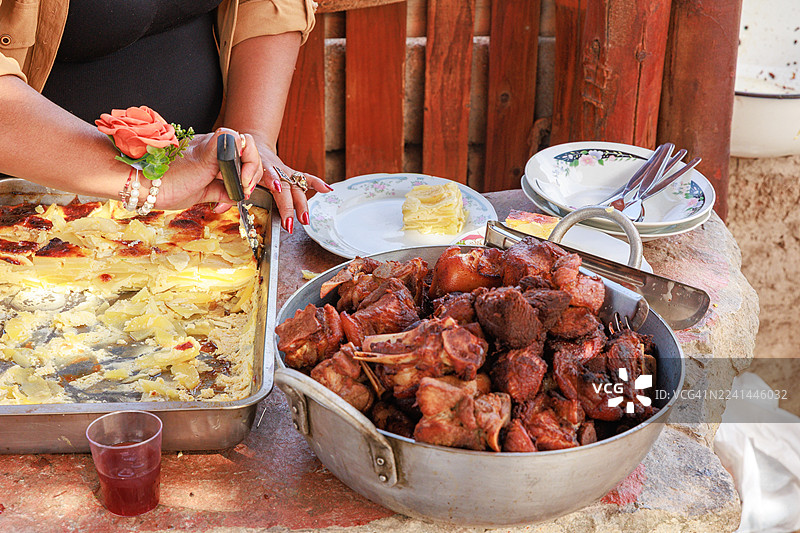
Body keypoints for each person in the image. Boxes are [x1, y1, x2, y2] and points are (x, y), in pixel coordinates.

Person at [0, 0, 329, 234]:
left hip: (194, 205)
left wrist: (251, 137)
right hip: (29, 219)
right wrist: (146, 180)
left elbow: (267, 5)